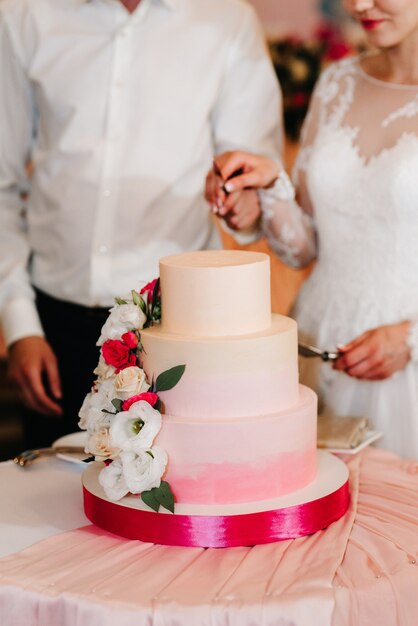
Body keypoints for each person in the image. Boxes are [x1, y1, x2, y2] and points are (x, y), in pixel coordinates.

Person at [0, 0, 282, 447]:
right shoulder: (26, 15)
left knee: (175, 502)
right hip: (53, 322)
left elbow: (253, 180)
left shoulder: (226, 18)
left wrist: (240, 199)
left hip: (176, 324)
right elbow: (2, 182)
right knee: (52, 503)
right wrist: (20, 326)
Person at [208, 0, 418, 458]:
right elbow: (305, 249)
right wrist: (268, 188)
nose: (358, 6)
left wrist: (410, 337)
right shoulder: (337, 82)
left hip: (406, 374)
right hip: (318, 346)